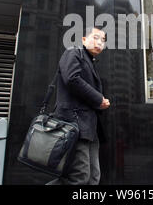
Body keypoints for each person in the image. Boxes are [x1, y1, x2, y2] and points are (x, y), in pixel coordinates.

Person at [46, 26, 110, 185]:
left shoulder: (90, 61)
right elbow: (72, 79)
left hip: (90, 128)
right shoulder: (74, 52)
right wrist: (99, 99)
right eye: (95, 38)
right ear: (83, 39)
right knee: (79, 176)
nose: (99, 43)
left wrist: (99, 103)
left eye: (103, 40)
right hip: (76, 125)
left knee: (93, 177)